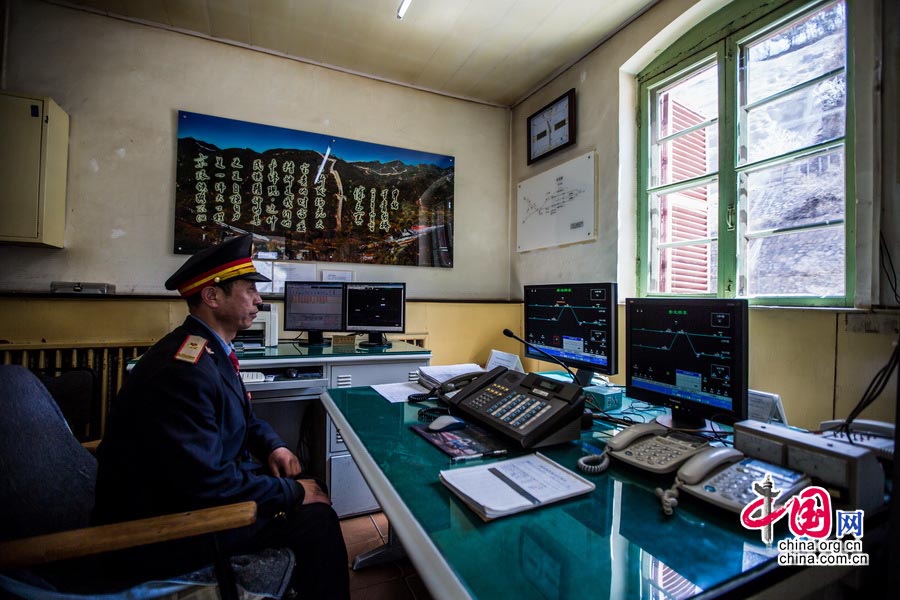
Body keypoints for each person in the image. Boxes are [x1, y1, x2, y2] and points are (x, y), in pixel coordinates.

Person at [94, 233, 350, 599]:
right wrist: (291, 492)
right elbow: (205, 485)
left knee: (306, 492)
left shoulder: (207, 350)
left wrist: (274, 445)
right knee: (318, 519)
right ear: (212, 296)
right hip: (170, 530)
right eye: (249, 290)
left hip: (190, 496)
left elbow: (242, 419)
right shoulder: (183, 372)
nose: (259, 300)